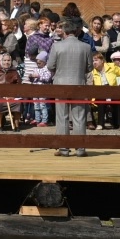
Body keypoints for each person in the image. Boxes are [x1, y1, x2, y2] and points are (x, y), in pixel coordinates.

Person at [46, 19, 92, 155]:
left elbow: (50, 66)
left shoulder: (57, 46)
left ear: (65, 32)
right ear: (76, 32)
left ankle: (64, 148)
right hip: (78, 83)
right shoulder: (86, 47)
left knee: (62, 117)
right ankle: (80, 148)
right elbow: (89, 67)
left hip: (60, 84)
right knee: (79, 117)